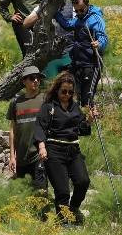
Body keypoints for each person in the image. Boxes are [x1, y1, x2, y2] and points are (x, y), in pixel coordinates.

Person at [33, 71, 92, 225]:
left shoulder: (75, 107)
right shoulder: (48, 107)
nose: (67, 95)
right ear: (57, 90)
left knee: (83, 181)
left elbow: (83, 130)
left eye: (70, 92)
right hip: (54, 150)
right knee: (62, 191)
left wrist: (89, 121)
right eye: (63, 91)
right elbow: (39, 127)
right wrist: (42, 146)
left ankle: (73, 209)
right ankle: (64, 222)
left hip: (73, 150)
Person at [53, 0, 109, 111]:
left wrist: (98, 43)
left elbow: (103, 38)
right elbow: (67, 25)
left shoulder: (95, 19)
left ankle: (87, 124)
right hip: (77, 64)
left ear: (87, 5)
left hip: (91, 66)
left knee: (86, 99)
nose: (78, 13)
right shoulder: (79, 19)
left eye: (81, 10)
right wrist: (55, 13)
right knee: (71, 95)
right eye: (76, 11)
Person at [6, 66, 47, 190]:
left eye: (38, 78)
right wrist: (12, 156)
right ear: (24, 81)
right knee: (22, 194)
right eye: (32, 78)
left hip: (39, 154)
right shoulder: (15, 102)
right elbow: (13, 130)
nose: (36, 80)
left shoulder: (45, 99)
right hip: (22, 157)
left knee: (40, 192)